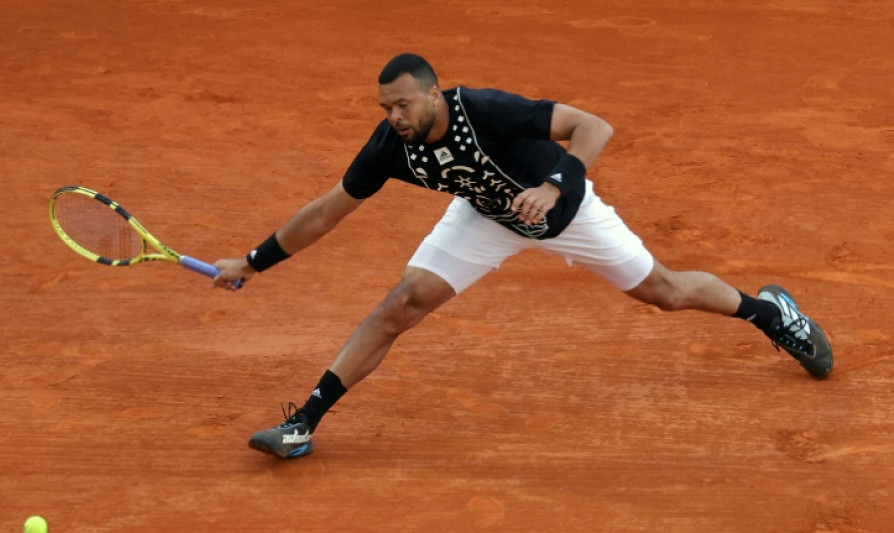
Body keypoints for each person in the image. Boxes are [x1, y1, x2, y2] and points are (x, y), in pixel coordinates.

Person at [212, 53, 833, 459]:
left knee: (665, 293)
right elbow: (326, 211)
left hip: (564, 209)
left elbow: (595, 127)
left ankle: (771, 314)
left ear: (432, 93)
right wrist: (254, 260)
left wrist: (556, 186)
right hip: (486, 218)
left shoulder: (484, 109)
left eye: (404, 104)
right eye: (386, 109)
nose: (394, 117)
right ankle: (305, 425)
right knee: (401, 304)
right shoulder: (389, 148)